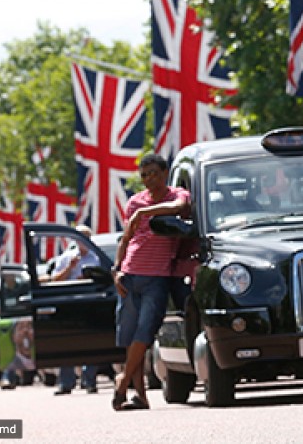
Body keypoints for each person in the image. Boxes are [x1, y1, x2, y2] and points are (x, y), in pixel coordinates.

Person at [112, 153, 190, 411]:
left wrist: (147, 211)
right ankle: (140, 396)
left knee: (144, 334)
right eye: (144, 175)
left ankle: (123, 383)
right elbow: (126, 239)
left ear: (165, 173)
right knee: (131, 334)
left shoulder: (176, 195)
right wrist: (117, 270)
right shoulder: (135, 202)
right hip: (130, 275)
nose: (149, 180)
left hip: (158, 278)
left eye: (154, 173)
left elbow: (178, 208)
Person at [50, 225, 101, 395]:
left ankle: (89, 380)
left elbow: (103, 277)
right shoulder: (66, 258)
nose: (83, 241)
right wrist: (70, 268)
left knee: (91, 342)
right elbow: (54, 279)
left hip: (89, 303)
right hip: (69, 304)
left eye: (87, 237)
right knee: (67, 343)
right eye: (81, 237)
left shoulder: (96, 258)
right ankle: (66, 382)